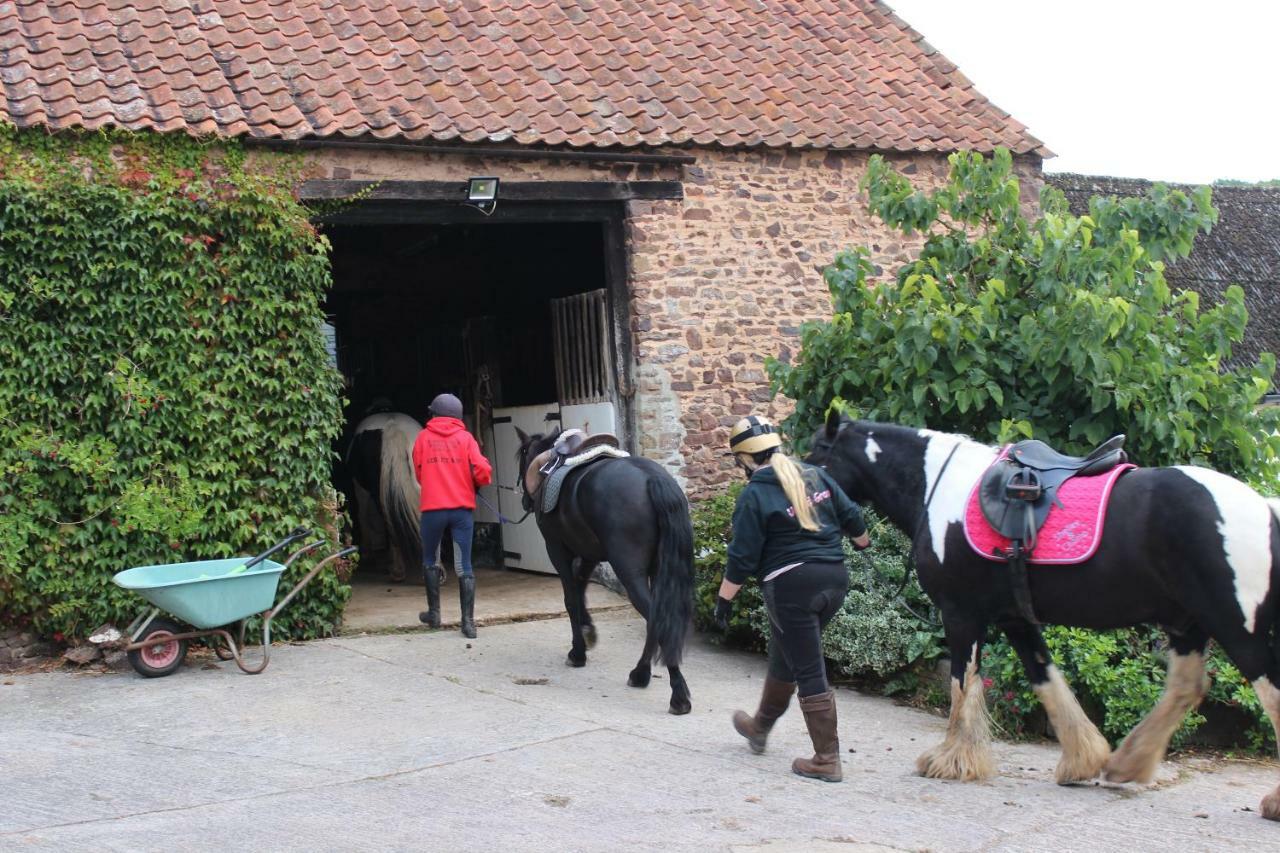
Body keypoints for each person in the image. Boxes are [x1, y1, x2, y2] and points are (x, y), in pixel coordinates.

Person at [715, 414, 870, 782]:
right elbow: (851, 516)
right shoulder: (814, 474)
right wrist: (863, 543)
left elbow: (742, 557)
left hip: (791, 588)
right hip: (834, 580)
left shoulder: (755, 493)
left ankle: (826, 759)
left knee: (808, 668)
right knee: (787, 653)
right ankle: (759, 728)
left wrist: (724, 601)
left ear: (744, 459)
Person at [412, 392, 493, 638]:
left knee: (430, 560)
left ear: (434, 414)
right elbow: (483, 471)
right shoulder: (466, 438)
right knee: (464, 565)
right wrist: (475, 480)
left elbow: (418, 472)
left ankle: (434, 614)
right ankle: (467, 623)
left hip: (433, 510)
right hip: (461, 511)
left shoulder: (423, 438)